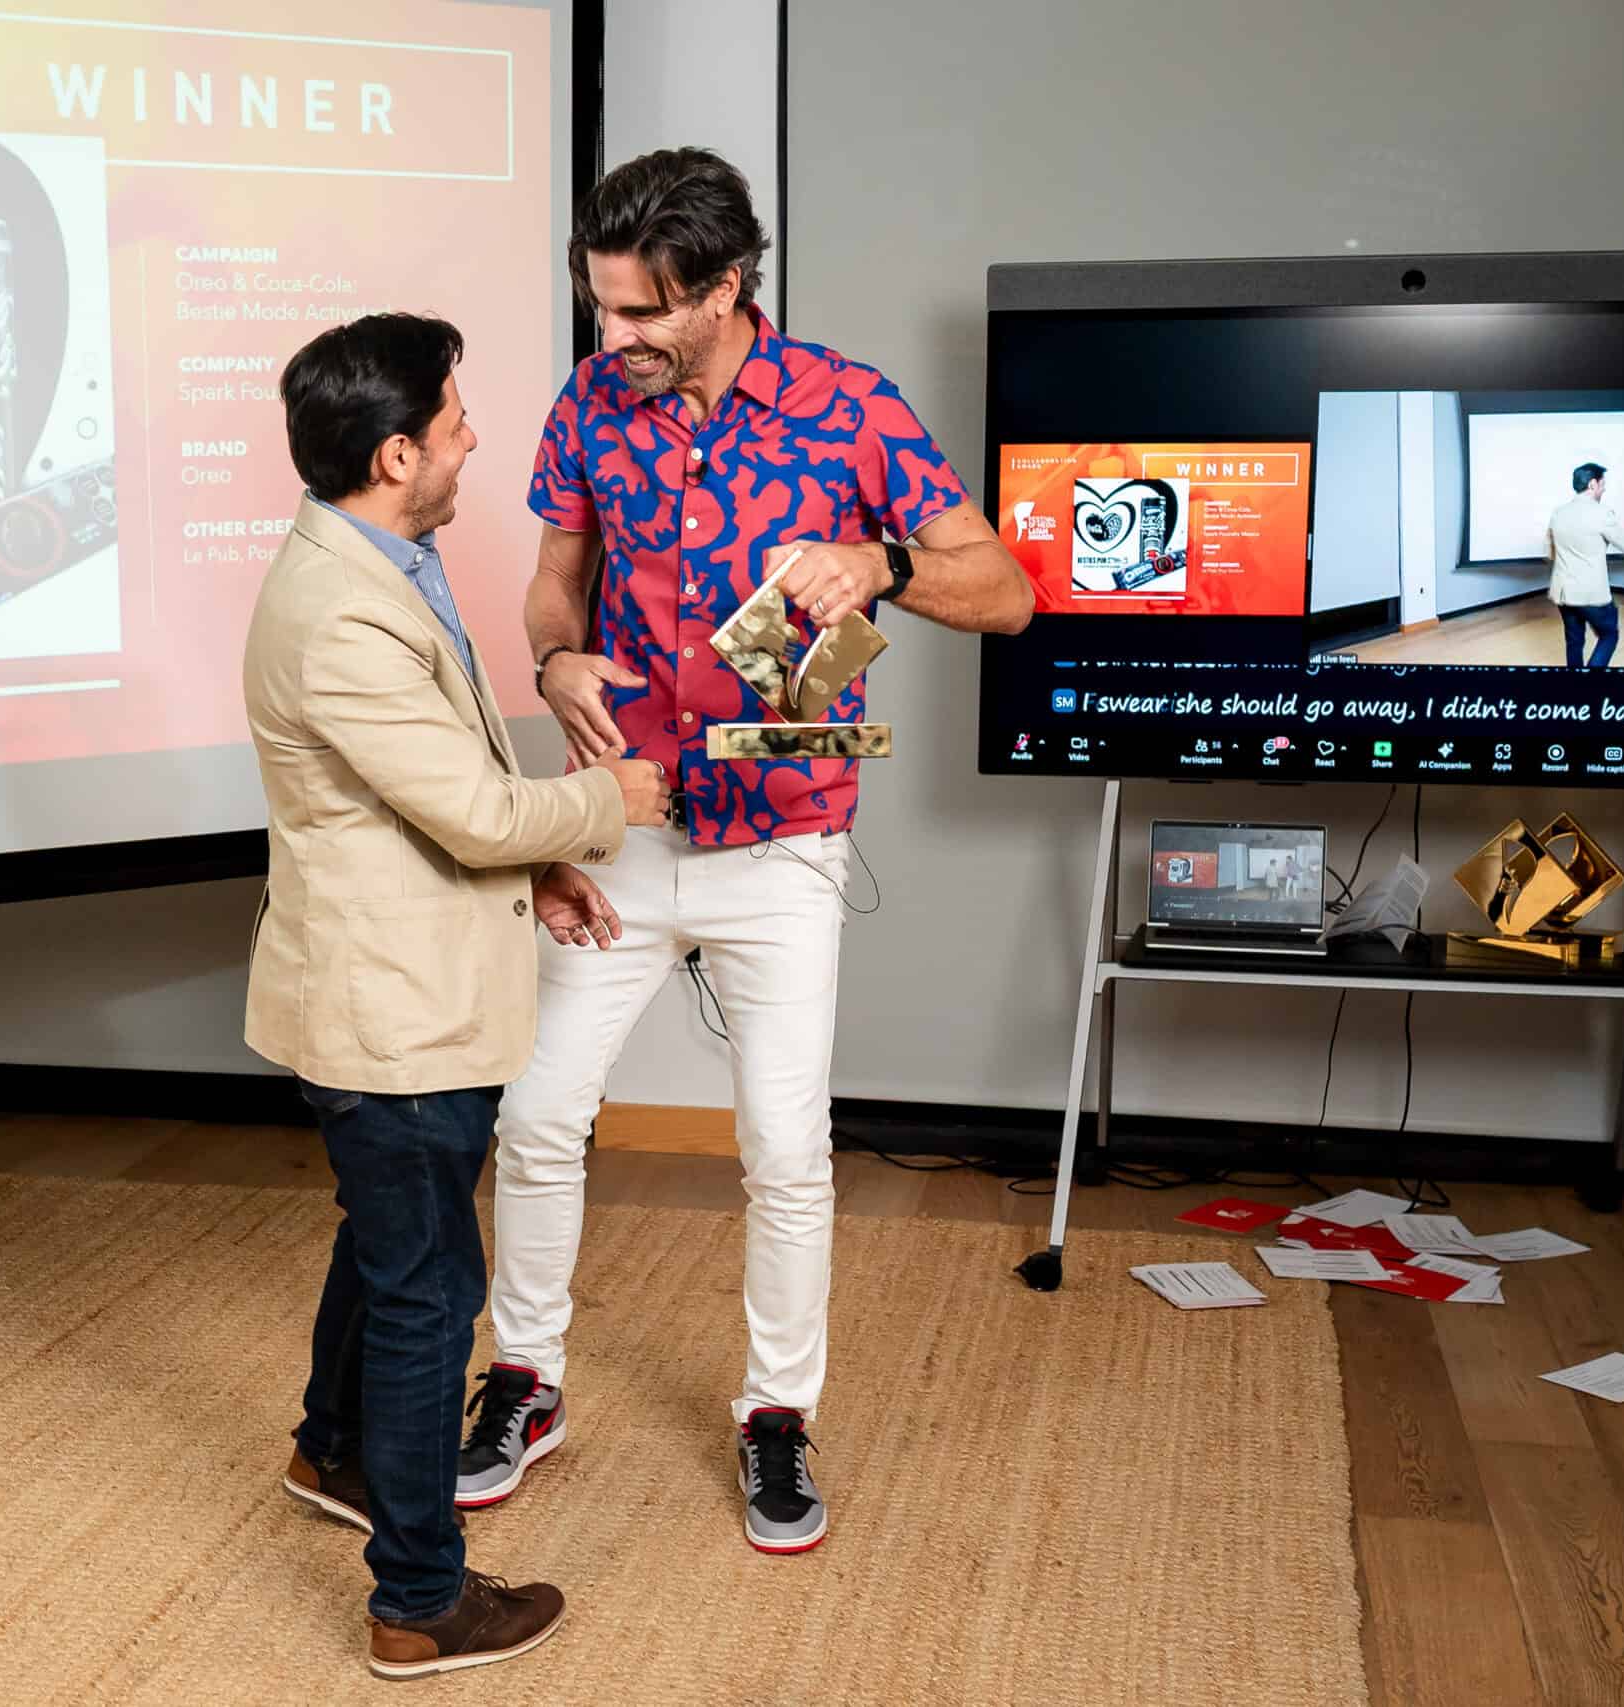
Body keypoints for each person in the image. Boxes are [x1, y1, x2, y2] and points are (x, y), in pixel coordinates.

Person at [457, 148, 1034, 1554]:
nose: (614, 335)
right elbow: (553, 580)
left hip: (784, 842)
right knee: (536, 1118)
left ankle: (778, 1411)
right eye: (602, 305)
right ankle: (525, 1379)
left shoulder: (852, 408)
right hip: (621, 822)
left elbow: (1008, 592)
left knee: (784, 1148)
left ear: (724, 288)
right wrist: (553, 661)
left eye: (642, 310)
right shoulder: (591, 405)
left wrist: (883, 566)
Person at [243, 312, 671, 1678]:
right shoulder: (341, 612)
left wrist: (541, 862)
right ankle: (420, 1599)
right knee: (431, 1290)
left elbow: (437, 786)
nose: (473, 437)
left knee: (385, 1239)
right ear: (395, 454)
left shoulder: (381, 559)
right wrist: (609, 801)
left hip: (399, 981)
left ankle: (334, 1449)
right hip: (396, 1011)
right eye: (453, 421)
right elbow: (476, 805)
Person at [1545, 461, 1624, 669]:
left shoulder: (1558, 512)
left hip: (1563, 591)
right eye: (1603, 484)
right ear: (1593, 484)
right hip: (1590, 593)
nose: (1604, 489)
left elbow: (1550, 552)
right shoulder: (1601, 513)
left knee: (1574, 641)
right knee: (1609, 635)